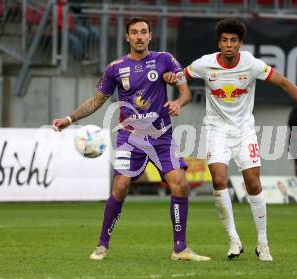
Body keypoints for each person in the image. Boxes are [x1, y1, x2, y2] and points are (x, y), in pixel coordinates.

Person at [164, 18, 297, 261]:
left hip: (244, 131)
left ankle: (263, 242)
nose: (228, 44)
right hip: (216, 130)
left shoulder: (251, 65)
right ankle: (233, 239)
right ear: (219, 43)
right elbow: (180, 77)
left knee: (253, 184)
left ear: (240, 43)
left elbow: (284, 82)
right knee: (219, 180)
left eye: (233, 40)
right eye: (224, 40)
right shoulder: (205, 64)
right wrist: (170, 78)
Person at [52, 17, 210, 262]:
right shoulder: (115, 68)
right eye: (134, 32)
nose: (139, 36)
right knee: (121, 187)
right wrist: (69, 119)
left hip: (162, 136)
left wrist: (177, 103)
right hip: (130, 137)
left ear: (150, 36)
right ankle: (103, 244)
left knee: (180, 183)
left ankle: (180, 248)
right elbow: (96, 101)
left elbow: (186, 92)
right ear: (127, 37)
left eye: (143, 32)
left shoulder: (165, 59)